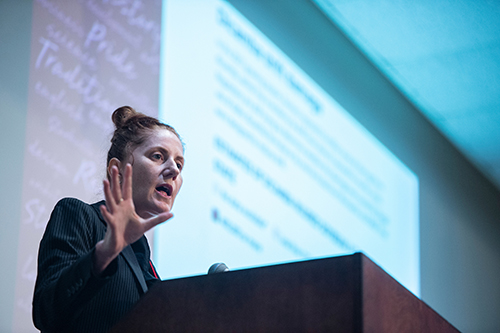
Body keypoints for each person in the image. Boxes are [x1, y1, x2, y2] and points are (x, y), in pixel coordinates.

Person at [33, 106, 184, 332]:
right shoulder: (79, 216)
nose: (173, 170)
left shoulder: (146, 263)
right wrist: (103, 254)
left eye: (179, 164)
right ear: (118, 168)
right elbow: (46, 312)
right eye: (158, 156)